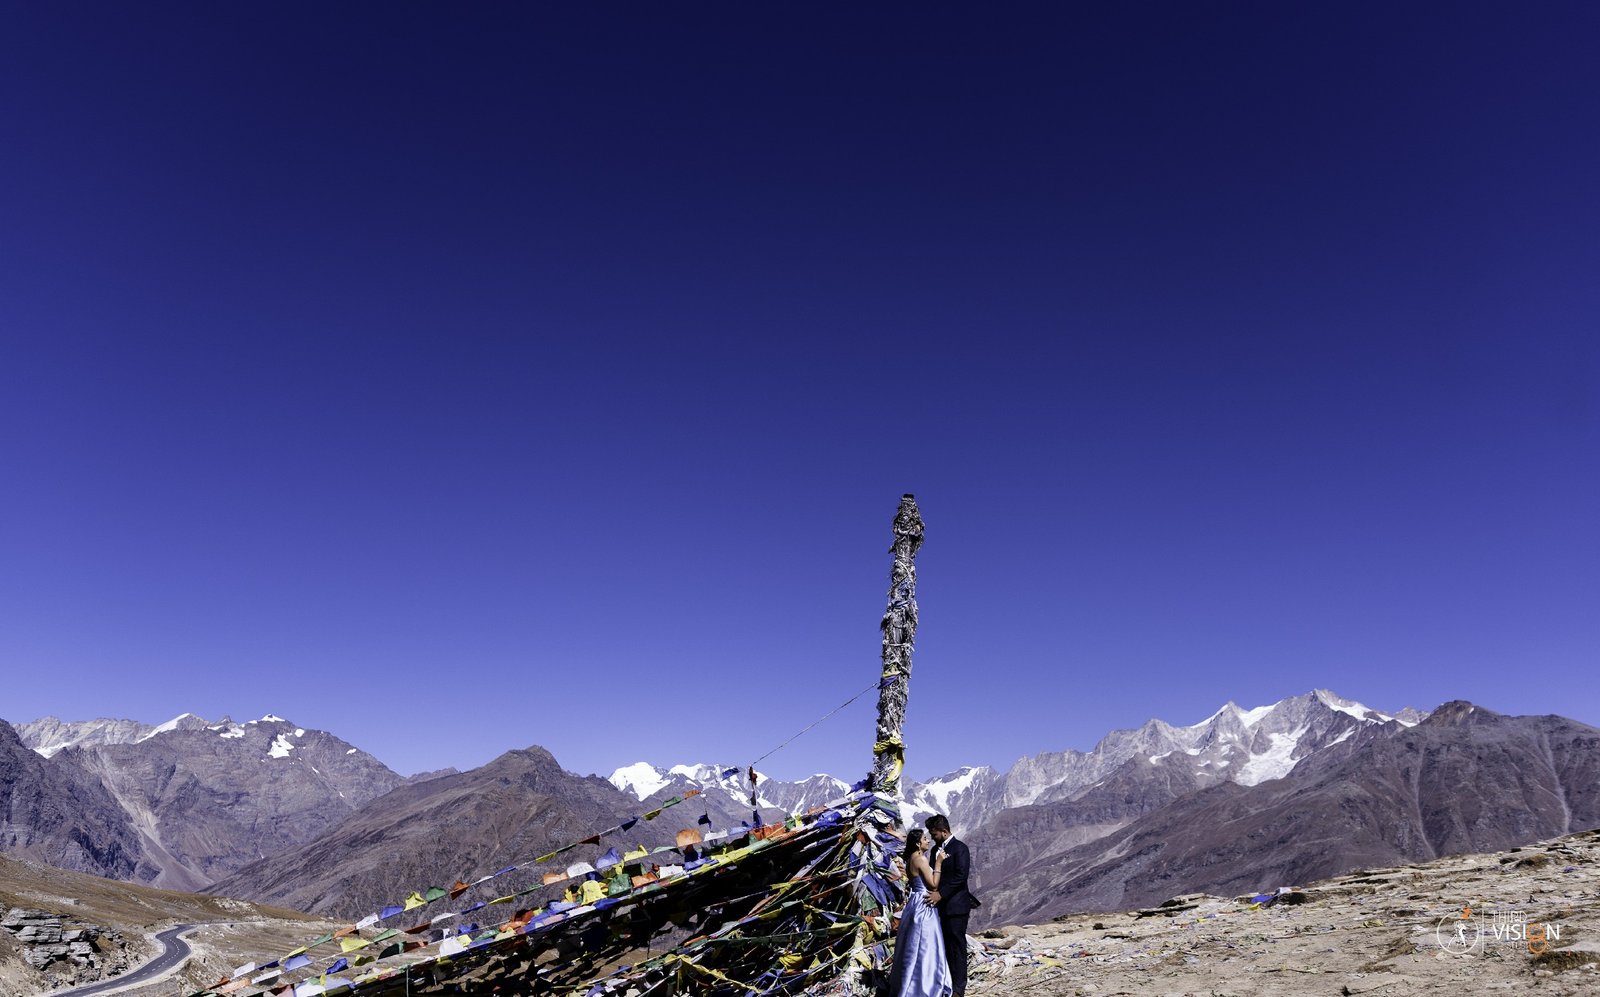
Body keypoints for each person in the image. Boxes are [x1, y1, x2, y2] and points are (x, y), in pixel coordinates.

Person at [888, 827, 952, 997]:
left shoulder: (910, 859)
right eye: (924, 839)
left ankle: (910, 983)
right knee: (927, 944)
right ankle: (925, 986)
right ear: (917, 843)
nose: (927, 841)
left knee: (912, 945)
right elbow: (933, 885)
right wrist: (938, 863)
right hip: (924, 903)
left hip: (914, 903)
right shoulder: (921, 860)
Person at [923, 814, 977, 997]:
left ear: (944, 831)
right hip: (940, 908)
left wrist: (941, 894)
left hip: (956, 906)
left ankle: (959, 988)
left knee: (957, 946)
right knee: (945, 946)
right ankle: (946, 983)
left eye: (934, 834)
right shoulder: (934, 851)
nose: (932, 838)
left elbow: (961, 877)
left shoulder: (960, 848)